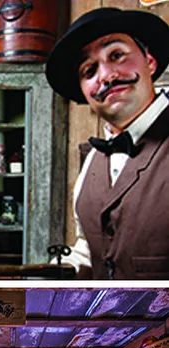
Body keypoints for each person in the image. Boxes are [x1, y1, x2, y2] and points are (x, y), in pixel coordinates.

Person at [45, 8, 169, 279]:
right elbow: (93, 248)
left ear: (149, 61)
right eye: (89, 70)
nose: (106, 76)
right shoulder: (92, 162)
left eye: (116, 56)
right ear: (84, 92)